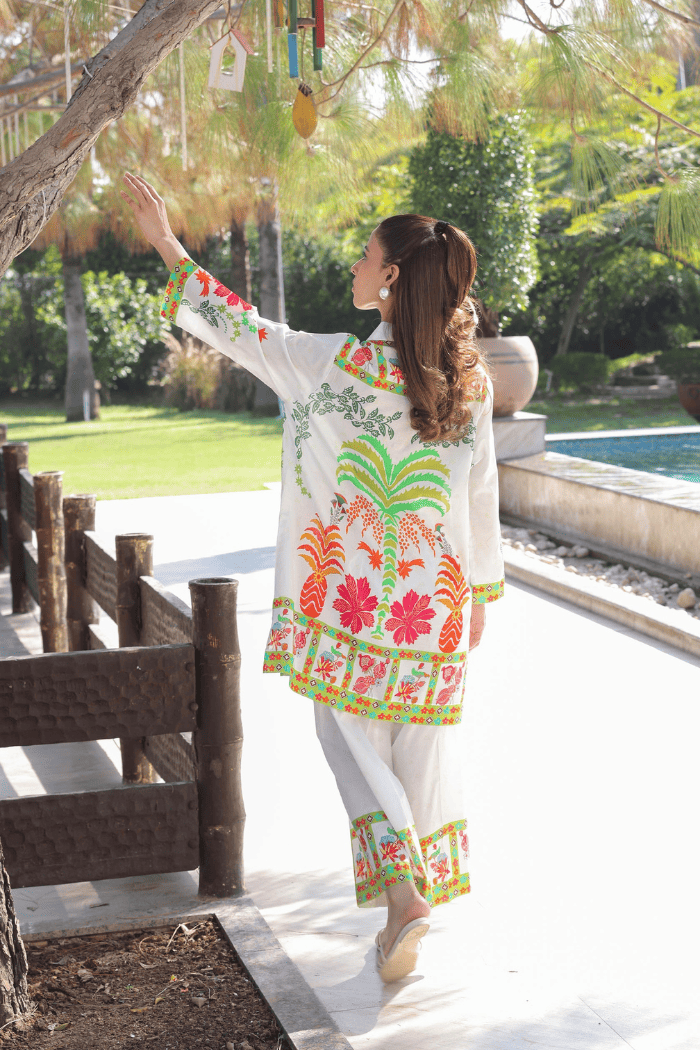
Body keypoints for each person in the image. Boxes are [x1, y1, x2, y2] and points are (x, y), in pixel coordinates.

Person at [122, 172, 504, 983]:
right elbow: (481, 494)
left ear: (393, 278)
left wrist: (165, 239)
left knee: (345, 735)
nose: (355, 268)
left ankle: (404, 894)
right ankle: (413, 893)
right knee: (421, 749)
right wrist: (483, 592)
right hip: (433, 607)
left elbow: (238, 327)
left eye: (367, 257)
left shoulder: (330, 367)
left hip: (351, 605)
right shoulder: (471, 382)